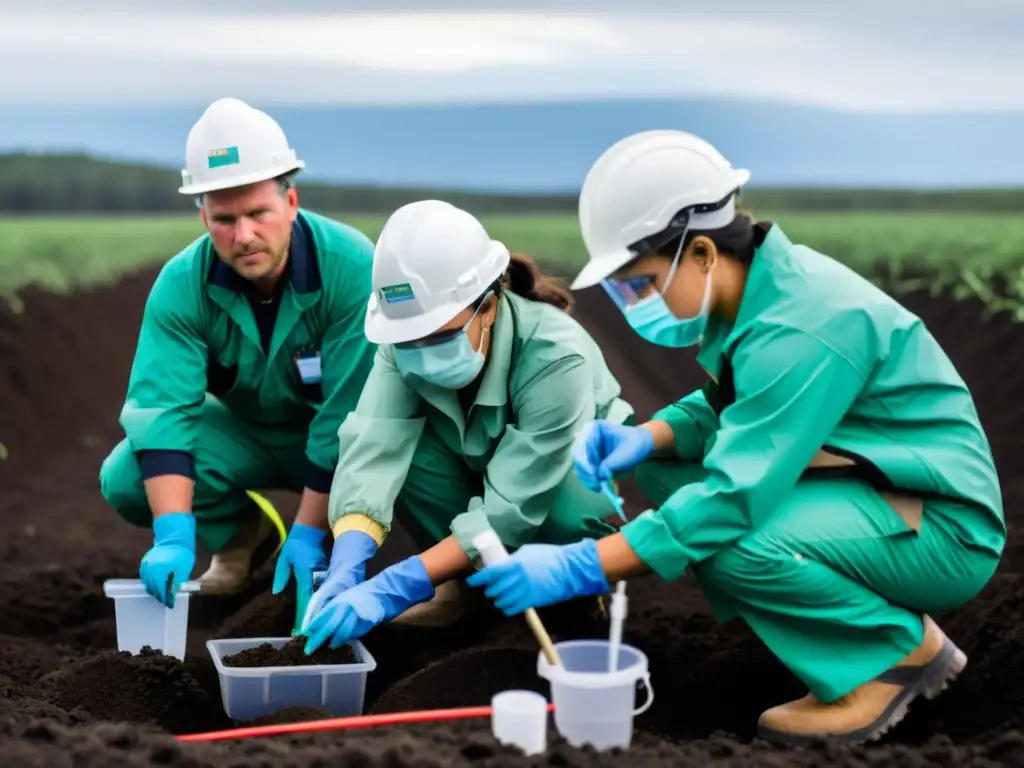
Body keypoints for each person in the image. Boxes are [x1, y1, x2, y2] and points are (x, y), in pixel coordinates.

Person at [466, 130, 1005, 745]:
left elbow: (730, 499)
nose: (633, 302)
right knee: (670, 478)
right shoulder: (764, 294)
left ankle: (888, 658)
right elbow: (737, 406)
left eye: (639, 284)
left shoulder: (804, 325)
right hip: (881, 491)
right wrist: (647, 438)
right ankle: (847, 629)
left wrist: (578, 566)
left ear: (700, 252)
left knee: (725, 536)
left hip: (942, 526)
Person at [300, 199, 634, 653]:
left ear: (489, 307)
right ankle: (461, 586)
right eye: (409, 337)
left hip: (561, 477)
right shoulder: (400, 342)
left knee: (567, 506)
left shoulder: (557, 355)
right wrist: (348, 559)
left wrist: (399, 583)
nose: (419, 348)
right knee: (400, 450)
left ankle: (572, 588)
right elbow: (373, 442)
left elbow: (512, 505)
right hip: (474, 456)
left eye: (439, 333)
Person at [98, 97, 377, 632]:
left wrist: (311, 531)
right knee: (127, 476)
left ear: (291, 202)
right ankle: (241, 540)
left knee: (419, 456)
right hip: (247, 432)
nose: (243, 235)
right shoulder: (182, 285)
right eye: (224, 219)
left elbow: (351, 416)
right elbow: (162, 410)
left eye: (257, 214)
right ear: (203, 216)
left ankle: (444, 572)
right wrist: (174, 534)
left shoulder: (351, 267)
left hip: (344, 444)